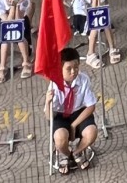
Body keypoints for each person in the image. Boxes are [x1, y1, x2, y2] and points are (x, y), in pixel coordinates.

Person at [46, 46, 98, 174]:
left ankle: (76, 152)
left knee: (92, 132)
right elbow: (49, 117)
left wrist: (74, 125)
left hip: (79, 112)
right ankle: (65, 153)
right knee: (60, 137)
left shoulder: (83, 79)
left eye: (76, 67)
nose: (73, 71)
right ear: (60, 68)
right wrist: (47, 102)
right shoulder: (54, 85)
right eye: (68, 69)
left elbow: (91, 105)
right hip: (61, 115)